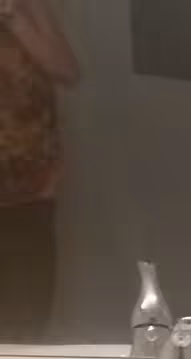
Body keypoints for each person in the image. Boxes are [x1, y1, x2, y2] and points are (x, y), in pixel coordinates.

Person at [0, 0, 76, 341]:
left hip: (32, 193)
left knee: (27, 318)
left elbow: (67, 70)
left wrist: (14, 16)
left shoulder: (27, 6)